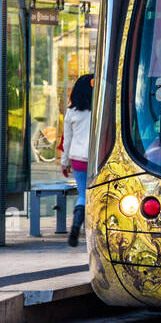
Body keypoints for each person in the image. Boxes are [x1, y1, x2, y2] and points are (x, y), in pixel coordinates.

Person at [60, 74, 93, 247]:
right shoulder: (99, 110)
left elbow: (67, 139)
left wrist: (64, 162)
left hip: (78, 159)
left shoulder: (72, 112)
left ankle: (75, 226)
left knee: (82, 194)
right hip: (97, 158)